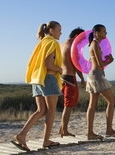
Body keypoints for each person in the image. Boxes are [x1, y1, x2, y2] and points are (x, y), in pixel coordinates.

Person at [12, 21, 63, 151]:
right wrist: (60, 69)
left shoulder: (41, 43)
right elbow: (48, 64)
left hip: (37, 78)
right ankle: (46, 141)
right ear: (51, 30)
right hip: (48, 78)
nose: (60, 33)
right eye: (59, 30)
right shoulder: (53, 42)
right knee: (51, 110)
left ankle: (22, 135)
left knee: (41, 110)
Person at [86, 24, 115, 139]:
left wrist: (105, 60)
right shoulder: (95, 44)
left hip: (94, 75)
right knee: (111, 101)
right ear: (97, 32)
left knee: (92, 105)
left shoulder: (94, 44)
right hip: (97, 76)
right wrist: (110, 61)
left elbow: (96, 62)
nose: (106, 34)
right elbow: (100, 64)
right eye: (104, 31)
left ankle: (90, 133)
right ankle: (109, 130)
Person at [59, 27, 86, 137]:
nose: (82, 42)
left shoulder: (62, 44)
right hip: (70, 77)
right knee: (68, 105)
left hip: (61, 77)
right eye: (81, 39)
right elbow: (77, 65)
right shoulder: (73, 46)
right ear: (76, 36)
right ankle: (64, 130)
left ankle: (62, 129)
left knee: (67, 104)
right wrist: (83, 79)